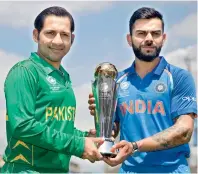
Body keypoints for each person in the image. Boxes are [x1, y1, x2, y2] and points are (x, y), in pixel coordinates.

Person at [88, 7, 197, 173]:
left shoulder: (179, 77)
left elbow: (184, 131)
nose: (149, 39)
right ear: (129, 39)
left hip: (172, 170)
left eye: (155, 33)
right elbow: (114, 128)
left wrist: (135, 146)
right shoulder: (116, 81)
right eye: (141, 33)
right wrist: (102, 128)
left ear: (163, 38)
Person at [1, 6, 104, 173]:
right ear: (36, 35)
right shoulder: (24, 72)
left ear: (72, 38)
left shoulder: (63, 77)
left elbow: (56, 125)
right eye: (50, 33)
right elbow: (22, 125)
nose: (57, 41)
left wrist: (85, 137)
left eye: (64, 35)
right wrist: (78, 145)